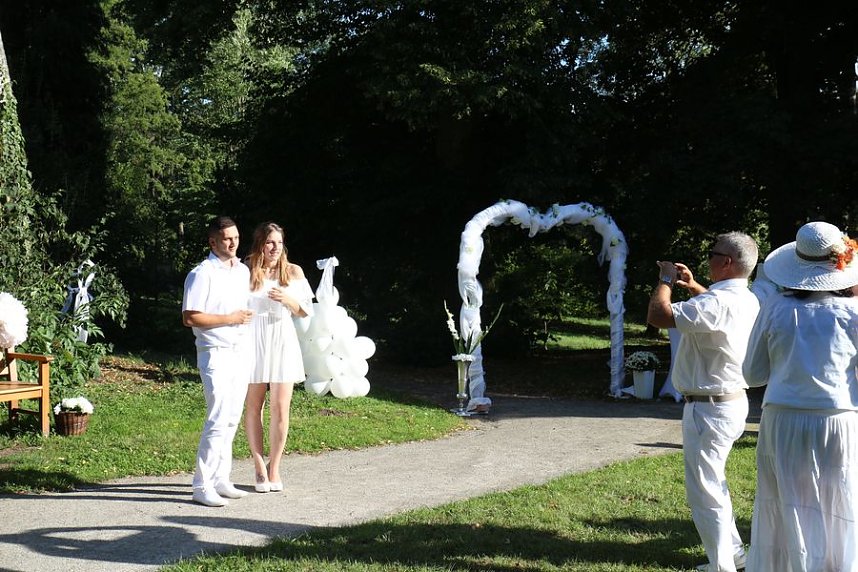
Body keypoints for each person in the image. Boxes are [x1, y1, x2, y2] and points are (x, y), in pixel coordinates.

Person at [743, 221, 858, 572]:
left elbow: (752, 373)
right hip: (837, 419)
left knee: (786, 504)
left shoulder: (775, 306)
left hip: (783, 419)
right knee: (839, 504)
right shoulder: (853, 313)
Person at [647, 231, 760, 572]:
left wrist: (666, 280)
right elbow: (712, 309)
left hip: (708, 408)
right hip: (730, 401)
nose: (707, 257)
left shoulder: (715, 303)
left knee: (706, 492)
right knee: (715, 484)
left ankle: (723, 566)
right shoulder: (746, 298)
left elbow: (659, 315)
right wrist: (694, 285)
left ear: (726, 262)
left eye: (712, 252)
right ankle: (735, 555)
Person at [181, 216, 254, 507]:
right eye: (227, 238)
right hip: (215, 353)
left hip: (239, 351)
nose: (233, 242)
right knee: (218, 417)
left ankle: (222, 478)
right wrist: (230, 319)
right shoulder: (201, 274)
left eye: (236, 237)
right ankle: (202, 484)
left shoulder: (242, 271)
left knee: (233, 417)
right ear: (213, 242)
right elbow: (190, 317)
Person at [244, 222, 314, 493]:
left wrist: (287, 299)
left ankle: (275, 467)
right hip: (254, 340)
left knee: (280, 408)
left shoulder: (293, 271)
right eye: (270, 242)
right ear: (260, 243)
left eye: (279, 243)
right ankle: (259, 465)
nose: (275, 248)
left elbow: (305, 311)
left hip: (282, 340)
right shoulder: (246, 268)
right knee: (254, 405)